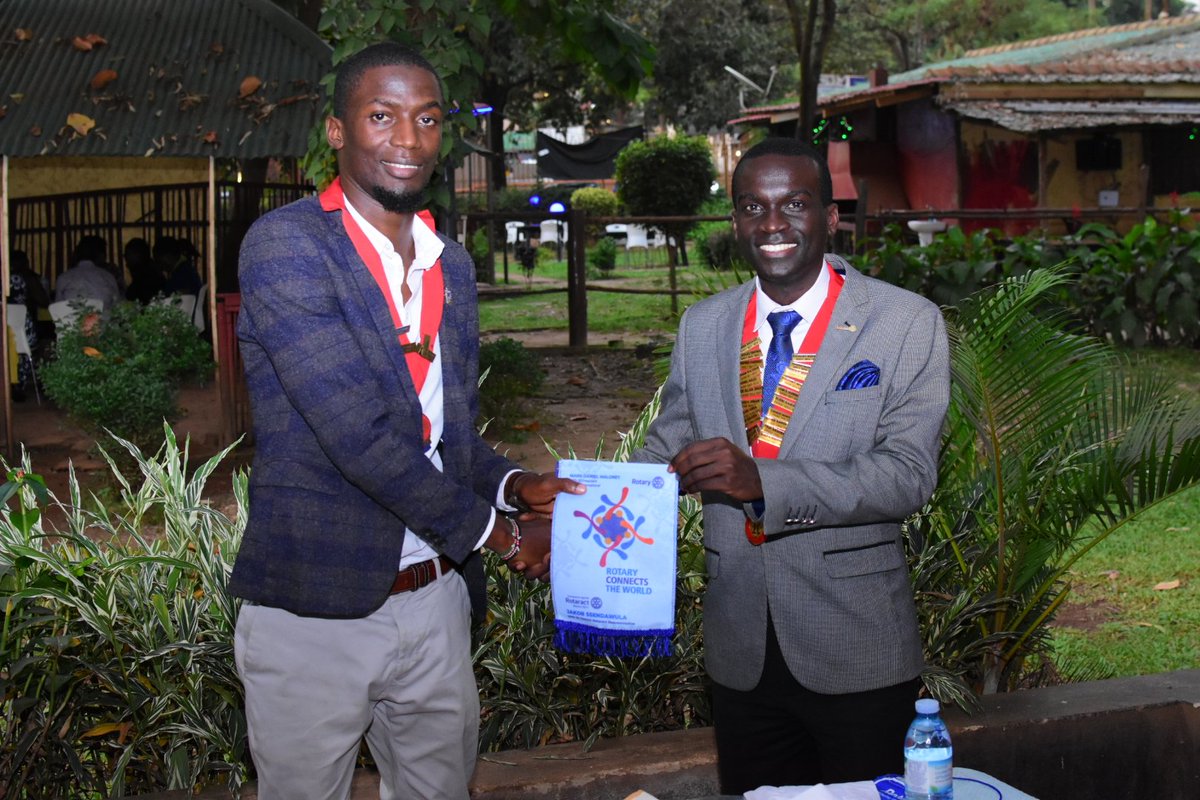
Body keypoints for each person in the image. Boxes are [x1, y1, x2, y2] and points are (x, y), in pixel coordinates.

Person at [228, 41, 583, 800]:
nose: (409, 140)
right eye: (382, 116)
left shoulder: (449, 264)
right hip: (316, 610)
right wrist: (499, 535)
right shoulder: (287, 247)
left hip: (435, 601)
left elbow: (443, 436)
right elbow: (355, 435)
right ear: (337, 129)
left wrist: (515, 486)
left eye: (426, 119)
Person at [631, 138, 949, 793]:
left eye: (794, 204)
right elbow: (663, 450)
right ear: (735, 222)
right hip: (740, 649)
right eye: (753, 207)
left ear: (830, 218)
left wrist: (765, 483)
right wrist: (572, 510)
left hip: (856, 647)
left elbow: (908, 474)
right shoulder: (703, 326)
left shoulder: (904, 322)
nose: (772, 224)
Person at [7, 248, 51, 399]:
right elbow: (44, 301)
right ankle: (34, 382)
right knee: (46, 337)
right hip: (21, 330)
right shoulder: (27, 278)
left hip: (4, 331)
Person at [55, 234, 121, 309]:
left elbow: (57, 309)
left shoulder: (63, 278)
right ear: (100, 255)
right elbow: (118, 307)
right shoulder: (108, 277)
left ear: (76, 253)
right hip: (105, 316)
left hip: (71, 317)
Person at [123, 237, 164, 304]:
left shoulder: (146, 277)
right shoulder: (153, 270)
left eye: (126, 255)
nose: (126, 260)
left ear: (136, 255)